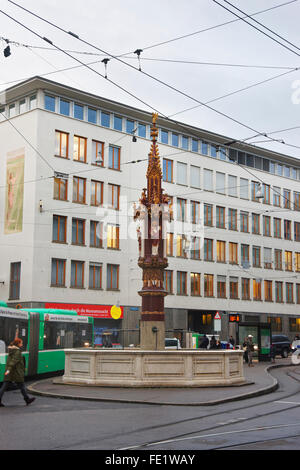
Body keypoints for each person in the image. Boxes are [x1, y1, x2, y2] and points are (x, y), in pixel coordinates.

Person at [0, 338, 35, 407]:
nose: (22, 344)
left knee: (6, 386)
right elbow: (13, 361)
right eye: (21, 343)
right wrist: (8, 370)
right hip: (16, 372)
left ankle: (27, 399)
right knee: (21, 386)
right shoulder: (17, 352)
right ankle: (27, 399)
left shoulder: (12, 350)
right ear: (18, 344)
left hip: (12, 372)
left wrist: (8, 370)